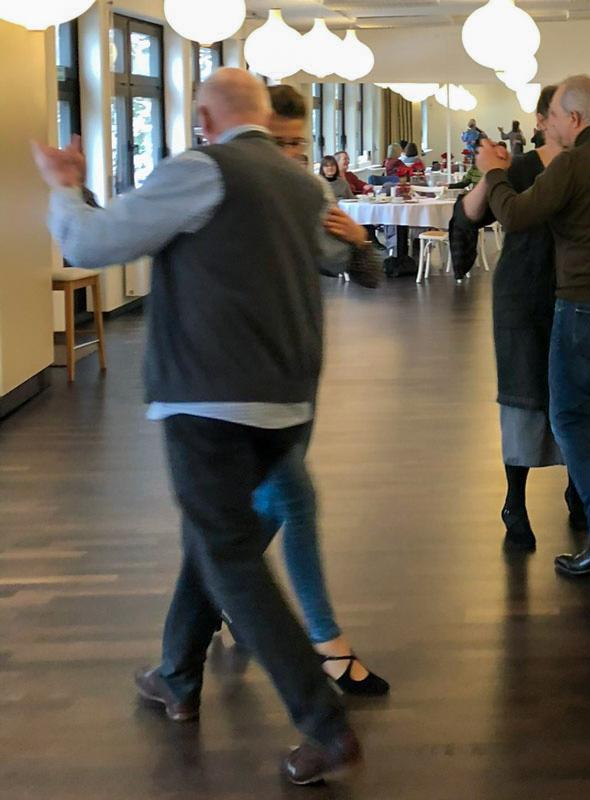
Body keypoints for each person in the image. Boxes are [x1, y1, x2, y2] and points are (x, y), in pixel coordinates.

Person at [33, 68, 362, 784]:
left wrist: (64, 187)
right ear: (263, 118)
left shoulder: (201, 169)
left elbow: (90, 244)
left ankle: (324, 724)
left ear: (206, 121)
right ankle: (177, 677)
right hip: (286, 401)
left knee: (229, 554)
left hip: (211, 399)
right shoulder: (304, 184)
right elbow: (339, 258)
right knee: (212, 541)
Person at [478, 75, 590, 576]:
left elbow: (517, 215)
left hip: (586, 305)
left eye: (556, 115)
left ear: (575, 119)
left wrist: (494, 174)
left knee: (570, 419)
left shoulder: (573, 163)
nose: (550, 124)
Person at [263, 84, 389, 696]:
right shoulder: (228, 194)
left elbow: (365, 275)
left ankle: (207, 616)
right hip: (248, 379)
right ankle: (327, 642)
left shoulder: (310, 195)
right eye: (278, 143)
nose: (291, 155)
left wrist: (359, 241)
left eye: (298, 144)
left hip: (298, 369)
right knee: (292, 500)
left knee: (257, 508)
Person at [452, 85, 589, 549]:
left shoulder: (586, 166)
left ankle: (578, 486)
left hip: (576, 291)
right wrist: (490, 174)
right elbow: (469, 215)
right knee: (523, 393)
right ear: (543, 119)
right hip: (523, 293)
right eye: (561, 113)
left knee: (578, 392)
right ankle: (515, 500)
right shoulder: (522, 167)